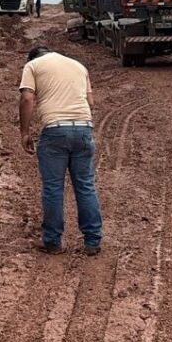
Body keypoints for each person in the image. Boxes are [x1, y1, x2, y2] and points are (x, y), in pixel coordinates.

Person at [19, 45, 103, 255]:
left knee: (53, 188)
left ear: (33, 58)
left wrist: (24, 132)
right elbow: (90, 101)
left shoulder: (32, 66)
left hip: (55, 131)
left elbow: (27, 98)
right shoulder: (78, 66)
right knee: (85, 186)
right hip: (84, 129)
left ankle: (52, 242)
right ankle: (92, 241)